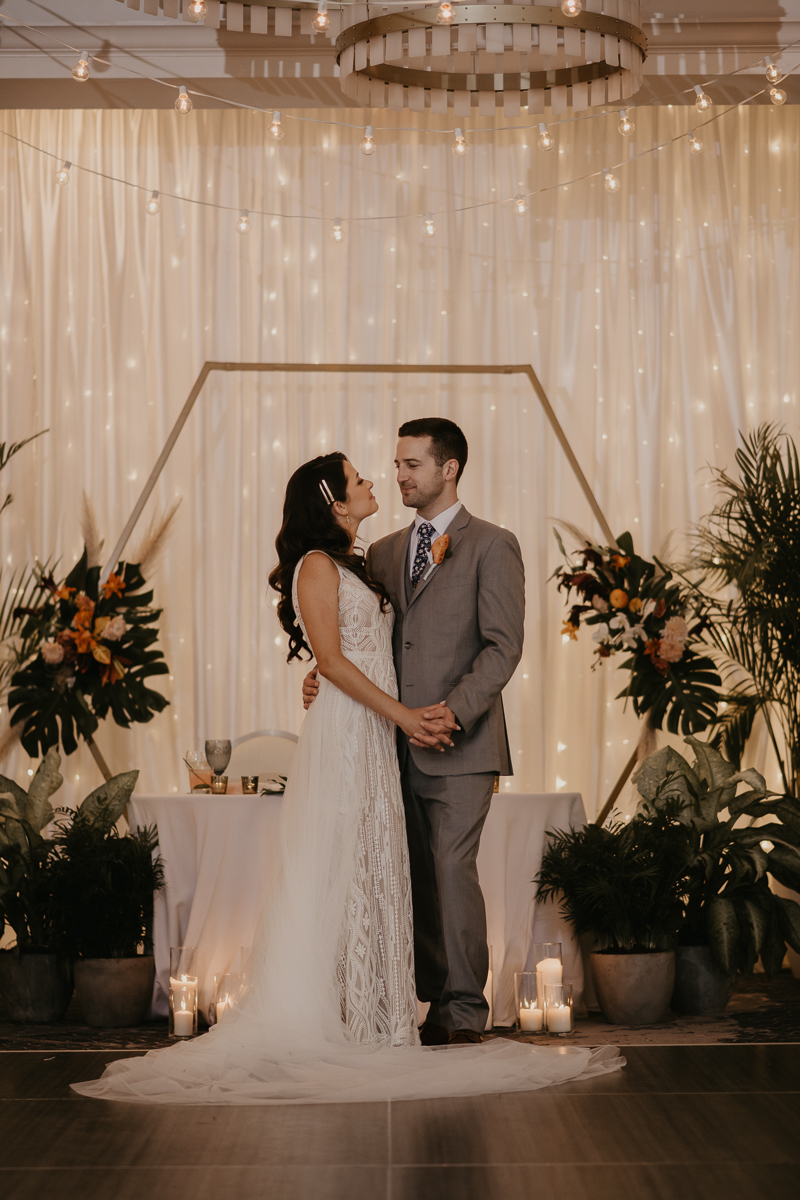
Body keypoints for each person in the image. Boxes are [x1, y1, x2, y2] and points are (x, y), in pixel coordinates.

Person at [72, 450, 621, 1104]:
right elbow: (331, 660)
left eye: (387, 469)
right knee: (342, 866)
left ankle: (381, 1020)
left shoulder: (363, 562)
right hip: (353, 732)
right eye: (361, 478)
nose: (374, 483)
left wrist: (374, 698)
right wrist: (402, 714)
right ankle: (346, 1019)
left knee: (374, 867)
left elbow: (357, 651)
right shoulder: (314, 565)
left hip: (375, 734)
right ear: (333, 500)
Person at [304, 419, 525, 1044]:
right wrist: (321, 681)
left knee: (452, 871)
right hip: (387, 746)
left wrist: (449, 714)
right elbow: (361, 644)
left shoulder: (492, 544)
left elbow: (503, 649)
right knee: (409, 874)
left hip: (461, 743)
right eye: (396, 465)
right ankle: (420, 1000)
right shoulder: (381, 552)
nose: (398, 475)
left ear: (448, 468)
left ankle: (461, 1011)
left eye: (411, 465)